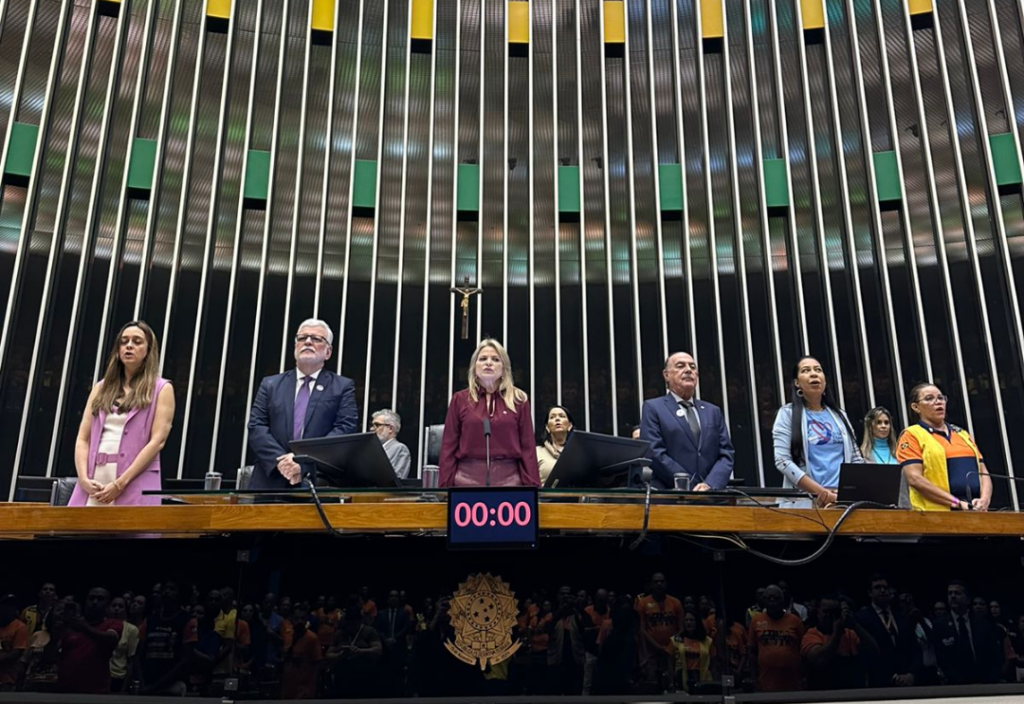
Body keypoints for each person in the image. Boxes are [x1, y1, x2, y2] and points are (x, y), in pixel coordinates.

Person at [70, 321, 174, 506]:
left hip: (133, 479)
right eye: (124, 341)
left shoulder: (162, 389)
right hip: (95, 480)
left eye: (137, 341)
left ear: (148, 350)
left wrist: (120, 483)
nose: (129, 346)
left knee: (131, 532)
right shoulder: (100, 388)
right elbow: (82, 439)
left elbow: (157, 441)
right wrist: (83, 479)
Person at [248, 319, 359, 490]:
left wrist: (303, 461)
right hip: (270, 480)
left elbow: (344, 429)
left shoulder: (342, 387)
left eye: (316, 339)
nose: (308, 342)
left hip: (317, 480)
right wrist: (282, 462)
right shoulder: (270, 384)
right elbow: (257, 427)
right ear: (295, 347)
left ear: (328, 352)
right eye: (302, 338)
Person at [439, 339, 541, 486]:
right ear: (474, 367)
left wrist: (532, 488)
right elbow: (448, 446)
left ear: (504, 368)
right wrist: (444, 487)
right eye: (482, 359)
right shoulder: (459, 400)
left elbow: (528, 447)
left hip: (510, 481)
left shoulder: (519, 400)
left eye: (495, 359)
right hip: (466, 480)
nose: (488, 363)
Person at [772, 356, 863, 507]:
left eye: (818, 370)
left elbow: (856, 459)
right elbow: (783, 461)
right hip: (804, 502)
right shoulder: (787, 413)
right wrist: (822, 493)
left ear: (825, 381)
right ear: (797, 383)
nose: (814, 374)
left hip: (842, 501)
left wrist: (850, 493)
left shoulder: (840, 415)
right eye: (806, 371)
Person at [641, 352, 735, 490]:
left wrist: (711, 484)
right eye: (680, 366)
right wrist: (688, 483)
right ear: (666, 375)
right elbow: (654, 452)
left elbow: (726, 453)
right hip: (671, 495)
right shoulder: (654, 407)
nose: (688, 370)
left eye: (692, 366)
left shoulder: (712, 411)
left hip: (711, 496)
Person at [897, 383, 992, 511]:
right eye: (929, 398)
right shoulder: (912, 435)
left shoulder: (962, 434)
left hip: (975, 510)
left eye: (941, 398)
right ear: (916, 407)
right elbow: (914, 478)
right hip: (935, 515)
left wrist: (984, 500)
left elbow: (983, 471)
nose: (938, 402)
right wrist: (956, 503)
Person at [930, 580, 1009, 684]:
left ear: (968, 599)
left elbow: (994, 655)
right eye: (950, 593)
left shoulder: (983, 624)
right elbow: (939, 657)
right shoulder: (939, 626)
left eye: (957, 593)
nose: (953, 596)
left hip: (983, 681)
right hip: (953, 683)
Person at [855, 575, 919, 687]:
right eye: (878, 587)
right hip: (878, 681)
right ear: (870, 593)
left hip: (906, 680)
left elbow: (914, 648)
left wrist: (912, 674)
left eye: (885, 587)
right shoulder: (861, 618)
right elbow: (866, 653)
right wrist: (891, 677)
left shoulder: (902, 617)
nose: (882, 590)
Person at [56, 589, 123, 694]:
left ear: (108, 604)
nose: (95, 602)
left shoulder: (114, 623)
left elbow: (110, 640)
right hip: (65, 688)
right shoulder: (72, 625)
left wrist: (84, 628)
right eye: (91, 598)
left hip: (95, 690)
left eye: (100, 599)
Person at [139, 580, 197, 695]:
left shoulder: (188, 621)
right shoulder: (149, 620)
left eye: (172, 589)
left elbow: (185, 660)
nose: (167, 592)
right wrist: (142, 683)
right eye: (165, 588)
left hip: (173, 685)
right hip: (147, 683)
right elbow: (138, 655)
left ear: (181, 594)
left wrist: (156, 687)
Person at [747, 584, 804, 692]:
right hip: (766, 681)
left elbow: (803, 650)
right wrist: (754, 678)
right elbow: (752, 651)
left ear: (782, 600)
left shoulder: (795, 621)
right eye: (769, 598)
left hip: (792, 682)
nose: (772, 602)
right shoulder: (756, 621)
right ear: (764, 601)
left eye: (776, 598)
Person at [636, 573, 684, 691]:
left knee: (672, 684)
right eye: (656, 581)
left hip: (672, 650)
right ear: (651, 584)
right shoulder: (642, 603)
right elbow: (641, 628)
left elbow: (682, 628)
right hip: (650, 651)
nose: (659, 584)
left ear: (666, 583)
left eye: (662, 581)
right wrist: (657, 646)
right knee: (652, 684)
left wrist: (671, 646)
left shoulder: (675, 602)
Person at [669, 609, 716, 693]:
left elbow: (714, 663)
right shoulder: (676, 639)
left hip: (704, 680)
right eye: (686, 620)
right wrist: (671, 682)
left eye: (691, 620)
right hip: (682, 680)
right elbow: (670, 663)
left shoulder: (708, 641)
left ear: (697, 622)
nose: (689, 622)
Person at [280, 604, 321, 699]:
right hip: (287, 686)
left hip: (303, 689)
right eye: (297, 618)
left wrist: (310, 688)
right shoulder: (288, 635)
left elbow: (317, 663)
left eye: (302, 618)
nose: (300, 621)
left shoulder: (312, 638)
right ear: (292, 619)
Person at [108, 596, 140, 692]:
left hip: (118, 677)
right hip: (99, 675)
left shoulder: (132, 629)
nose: (116, 609)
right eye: (114, 605)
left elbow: (131, 661)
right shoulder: (102, 625)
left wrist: (123, 690)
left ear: (126, 610)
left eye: (120, 606)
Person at [536, 405, 574, 484]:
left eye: (562, 416)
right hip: (544, 496)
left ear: (570, 425)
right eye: (552, 417)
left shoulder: (579, 452)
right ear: (547, 427)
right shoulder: (537, 452)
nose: (557, 419)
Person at [371, 409, 412, 479]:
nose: (372, 429)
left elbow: (397, 479)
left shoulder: (400, 448)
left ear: (390, 428)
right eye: (372, 425)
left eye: (377, 425)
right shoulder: (371, 449)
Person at [0, 595, 28, 691]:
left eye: (11, 606)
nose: (8, 608)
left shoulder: (20, 627)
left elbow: (16, 652)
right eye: (5, 605)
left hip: (7, 679)